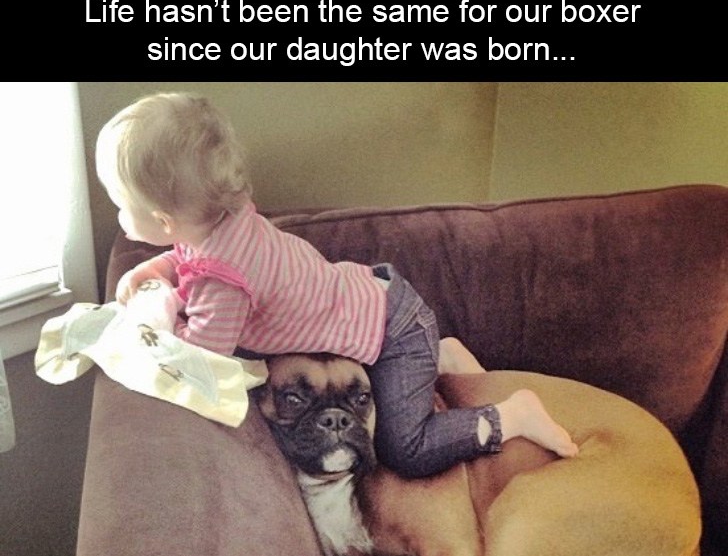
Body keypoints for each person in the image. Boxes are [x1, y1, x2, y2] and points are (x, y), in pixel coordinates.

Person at [96, 92, 578, 477]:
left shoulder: (224, 284)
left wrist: (159, 320)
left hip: (394, 333)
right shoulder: (231, 216)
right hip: (375, 296)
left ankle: (513, 416)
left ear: (163, 221)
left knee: (405, 449)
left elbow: (200, 360)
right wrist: (158, 270)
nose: (119, 215)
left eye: (120, 206)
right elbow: (191, 257)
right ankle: (443, 355)